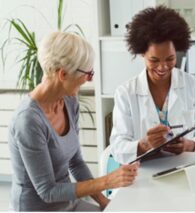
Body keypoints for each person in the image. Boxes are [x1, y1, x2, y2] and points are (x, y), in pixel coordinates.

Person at [8, 31, 139, 211]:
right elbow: (48, 192)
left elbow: (76, 163)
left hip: (68, 202)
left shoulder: (69, 101)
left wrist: (104, 203)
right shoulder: (28, 121)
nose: (89, 79)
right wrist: (107, 181)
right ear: (63, 74)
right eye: (88, 73)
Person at [110, 6, 195, 164]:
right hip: (143, 172)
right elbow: (118, 147)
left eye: (170, 59)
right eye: (154, 60)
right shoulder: (126, 92)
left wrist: (189, 145)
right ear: (142, 53)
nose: (163, 67)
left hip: (186, 167)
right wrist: (144, 144)